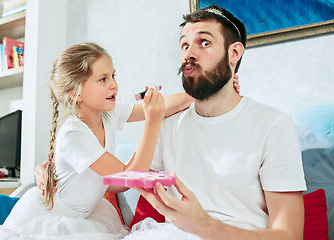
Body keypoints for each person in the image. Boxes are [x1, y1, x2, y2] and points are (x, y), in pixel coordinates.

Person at [122, 4, 307, 240]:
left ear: (234, 53)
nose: (188, 53)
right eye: (184, 45)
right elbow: (128, 179)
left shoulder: (274, 125)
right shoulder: (167, 124)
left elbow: (290, 235)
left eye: (204, 42)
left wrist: (205, 226)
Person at [0, 42, 200, 240]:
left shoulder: (108, 114)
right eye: (102, 79)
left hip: (89, 213)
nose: (113, 84)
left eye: (113, 75)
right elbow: (126, 180)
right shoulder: (73, 135)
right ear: (75, 93)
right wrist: (153, 122)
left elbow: (165, 105)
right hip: (59, 220)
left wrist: (201, 93)